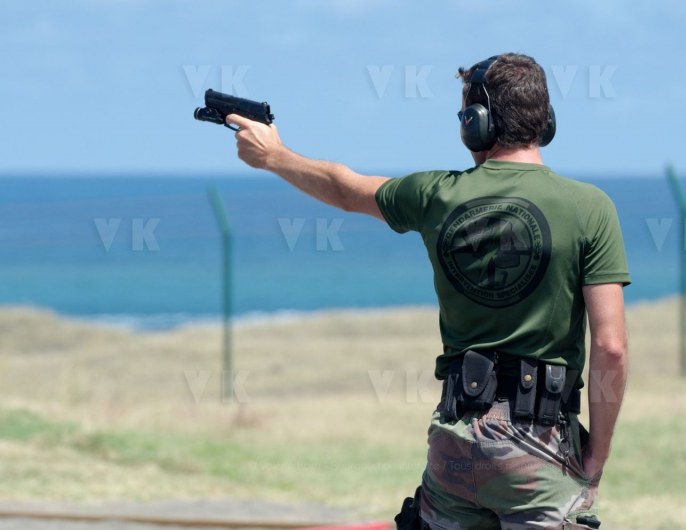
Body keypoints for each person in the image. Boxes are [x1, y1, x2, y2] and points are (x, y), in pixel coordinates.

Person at [227, 52, 629, 530]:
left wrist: (274, 155)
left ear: (476, 122)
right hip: (541, 449)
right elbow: (611, 346)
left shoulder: (435, 194)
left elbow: (343, 187)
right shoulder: (590, 208)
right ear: (546, 120)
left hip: (456, 444)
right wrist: (596, 456)